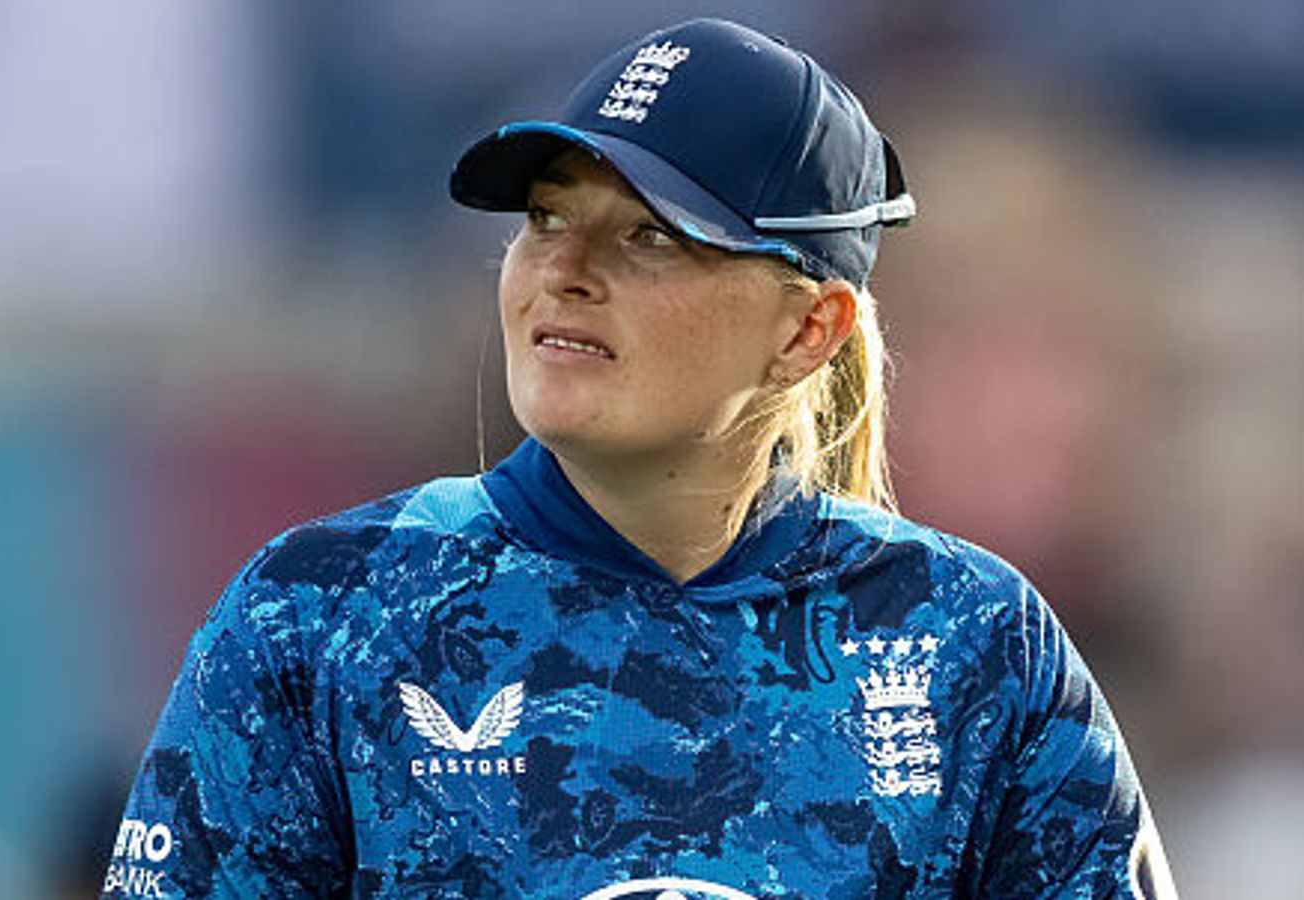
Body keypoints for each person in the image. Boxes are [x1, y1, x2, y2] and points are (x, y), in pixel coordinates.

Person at [102, 18, 1177, 900]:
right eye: (545, 218)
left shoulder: (974, 641)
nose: (562, 270)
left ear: (809, 329)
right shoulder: (321, 614)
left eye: (650, 236)